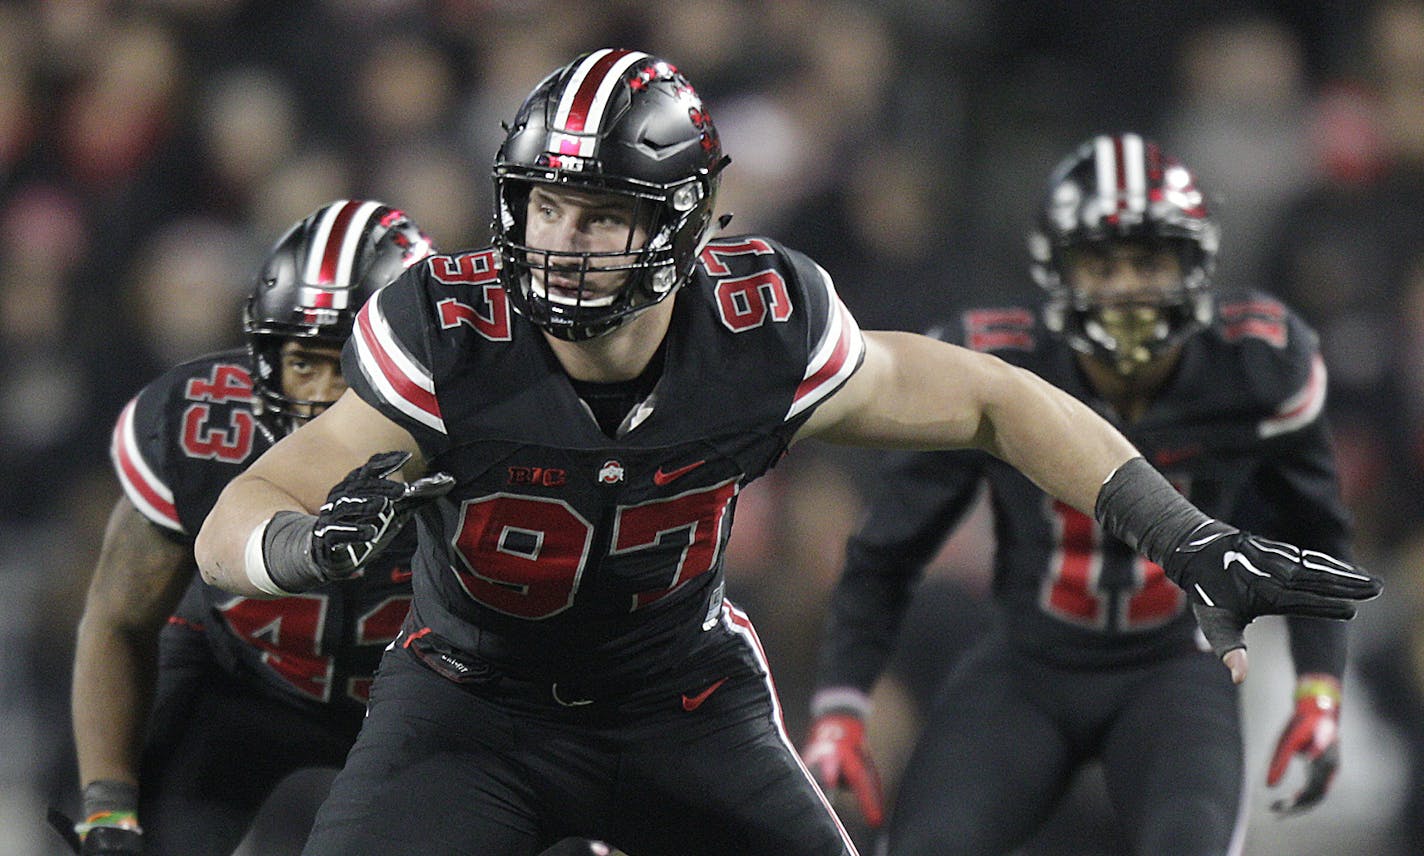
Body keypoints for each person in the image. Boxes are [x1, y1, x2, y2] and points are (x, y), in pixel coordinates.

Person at [192, 52, 1379, 856]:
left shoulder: (761, 332)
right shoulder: (446, 329)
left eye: (602, 213)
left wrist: (1184, 536)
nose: (563, 241)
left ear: (688, 219)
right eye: (545, 207)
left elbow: (992, 400)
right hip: (466, 703)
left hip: (680, 701)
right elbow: (236, 514)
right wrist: (301, 546)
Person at [800, 133, 1359, 855]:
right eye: (1102, 261)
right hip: (1027, 668)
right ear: (1058, 268)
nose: (1126, 286)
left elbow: (1316, 538)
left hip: (1178, 670)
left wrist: (1320, 689)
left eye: (1150, 260)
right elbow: (889, 549)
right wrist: (842, 701)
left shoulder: (1257, 361)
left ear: (1195, 264)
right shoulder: (1001, 363)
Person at [68, 200, 436, 854]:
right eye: (302, 360)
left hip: (429, 707)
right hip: (244, 680)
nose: (322, 395)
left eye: (350, 365)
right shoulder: (197, 426)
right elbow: (119, 620)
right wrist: (107, 802)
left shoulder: (488, 431)